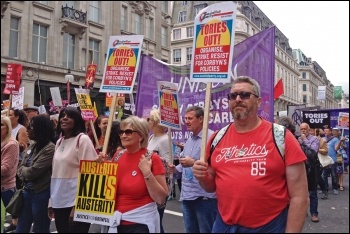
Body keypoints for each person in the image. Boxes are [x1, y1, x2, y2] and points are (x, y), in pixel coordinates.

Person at [193, 76, 308, 233]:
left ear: (259, 102)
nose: (238, 99)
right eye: (233, 96)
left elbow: (299, 196)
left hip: (269, 227)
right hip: (224, 225)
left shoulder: (281, 136)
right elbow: (210, 187)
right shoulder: (216, 138)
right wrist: (202, 177)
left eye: (245, 95)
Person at [96, 116, 168, 233]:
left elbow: (160, 198)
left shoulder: (152, 158)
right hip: (116, 222)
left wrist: (147, 172)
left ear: (141, 136)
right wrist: (101, 167)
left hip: (141, 223)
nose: (123, 135)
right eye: (121, 132)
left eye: (128, 132)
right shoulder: (117, 156)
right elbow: (107, 189)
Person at [168, 106, 218, 233]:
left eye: (190, 118)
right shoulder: (190, 138)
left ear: (201, 119)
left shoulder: (212, 138)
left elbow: (216, 166)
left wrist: (193, 163)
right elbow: (184, 163)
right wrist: (175, 169)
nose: (187, 121)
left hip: (204, 197)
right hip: (187, 196)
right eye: (185, 118)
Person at [48, 107, 98, 233]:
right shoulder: (59, 142)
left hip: (75, 202)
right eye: (62, 116)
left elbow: (89, 173)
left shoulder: (83, 140)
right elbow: (55, 174)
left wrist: (77, 205)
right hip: (59, 200)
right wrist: (51, 202)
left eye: (69, 116)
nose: (64, 118)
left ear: (77, 121)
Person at [16, 115, 55, 233]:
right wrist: (24, 171)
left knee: (40, 229)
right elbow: (20, 167)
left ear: (40, 129)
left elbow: (33, 172)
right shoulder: (32, 146)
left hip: (41, 194)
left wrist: (24, 170)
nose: (27, 130)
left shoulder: (50, 148)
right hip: (26, 192)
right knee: (21, 228)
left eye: (31, 127)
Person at [147, 109, 171, 233]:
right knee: (151, 219)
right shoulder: (151, 137)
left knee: (157, 218)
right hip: (149, 180)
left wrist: (153, 160)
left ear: (155, 122)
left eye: (149, 119)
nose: (147, 122)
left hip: (160, 182)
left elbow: (168, 162)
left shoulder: (165, 139)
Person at [6, 109, 28, 232]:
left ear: (17, 117)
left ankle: (18, 222)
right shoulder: (5, 128)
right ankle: (14, 222)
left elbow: (23, 146)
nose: (8, 117)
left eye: (10, 115)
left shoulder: (21, 129)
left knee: (15, 195)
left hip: (16, 166)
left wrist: (11, 144)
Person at [298, 123, 320, 223]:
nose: (303, 131)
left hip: (312, 169)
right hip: (301, 168)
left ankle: (314, 213)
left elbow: (313, 152)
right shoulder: (297, 139)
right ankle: (303, 211)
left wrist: (304, 140)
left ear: (309, 130)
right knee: (302, 192)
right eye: (301, 129)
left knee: (313, 192)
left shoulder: (314, 139)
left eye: (305, 129)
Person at [1, 116, 19, 232]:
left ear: (8, 128)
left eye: (1, 125)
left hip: (5, 187)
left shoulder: (11, 144)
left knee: (14, 214)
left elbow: (5, 168)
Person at [322, 126, 341, 195]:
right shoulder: (323, 139)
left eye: (327, 131)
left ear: (330, 132)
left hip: (332, 160)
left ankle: (335, 188)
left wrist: (340, 142)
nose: (325, 132)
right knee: (324, 175)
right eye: (324, 131)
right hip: (325, 160)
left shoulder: (335, 139)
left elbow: (336, 149)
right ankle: (325, 189)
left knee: (334, 175)